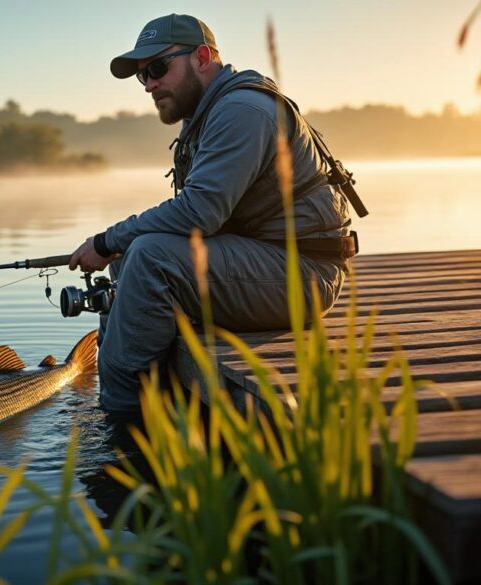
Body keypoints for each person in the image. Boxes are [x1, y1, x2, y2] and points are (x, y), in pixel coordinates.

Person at [69, 13, 361, 412]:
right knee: (127, 260)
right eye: (143, 76)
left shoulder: (243, 110)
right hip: (266, 259)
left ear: (202, 58)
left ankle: (121, 433)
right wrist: (115, 248)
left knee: (148, 256)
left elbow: (198, 214)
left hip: (304, 275)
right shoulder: (209, 113)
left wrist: (106, 239)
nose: (150, 84)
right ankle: (138, 387)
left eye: (157, 68)